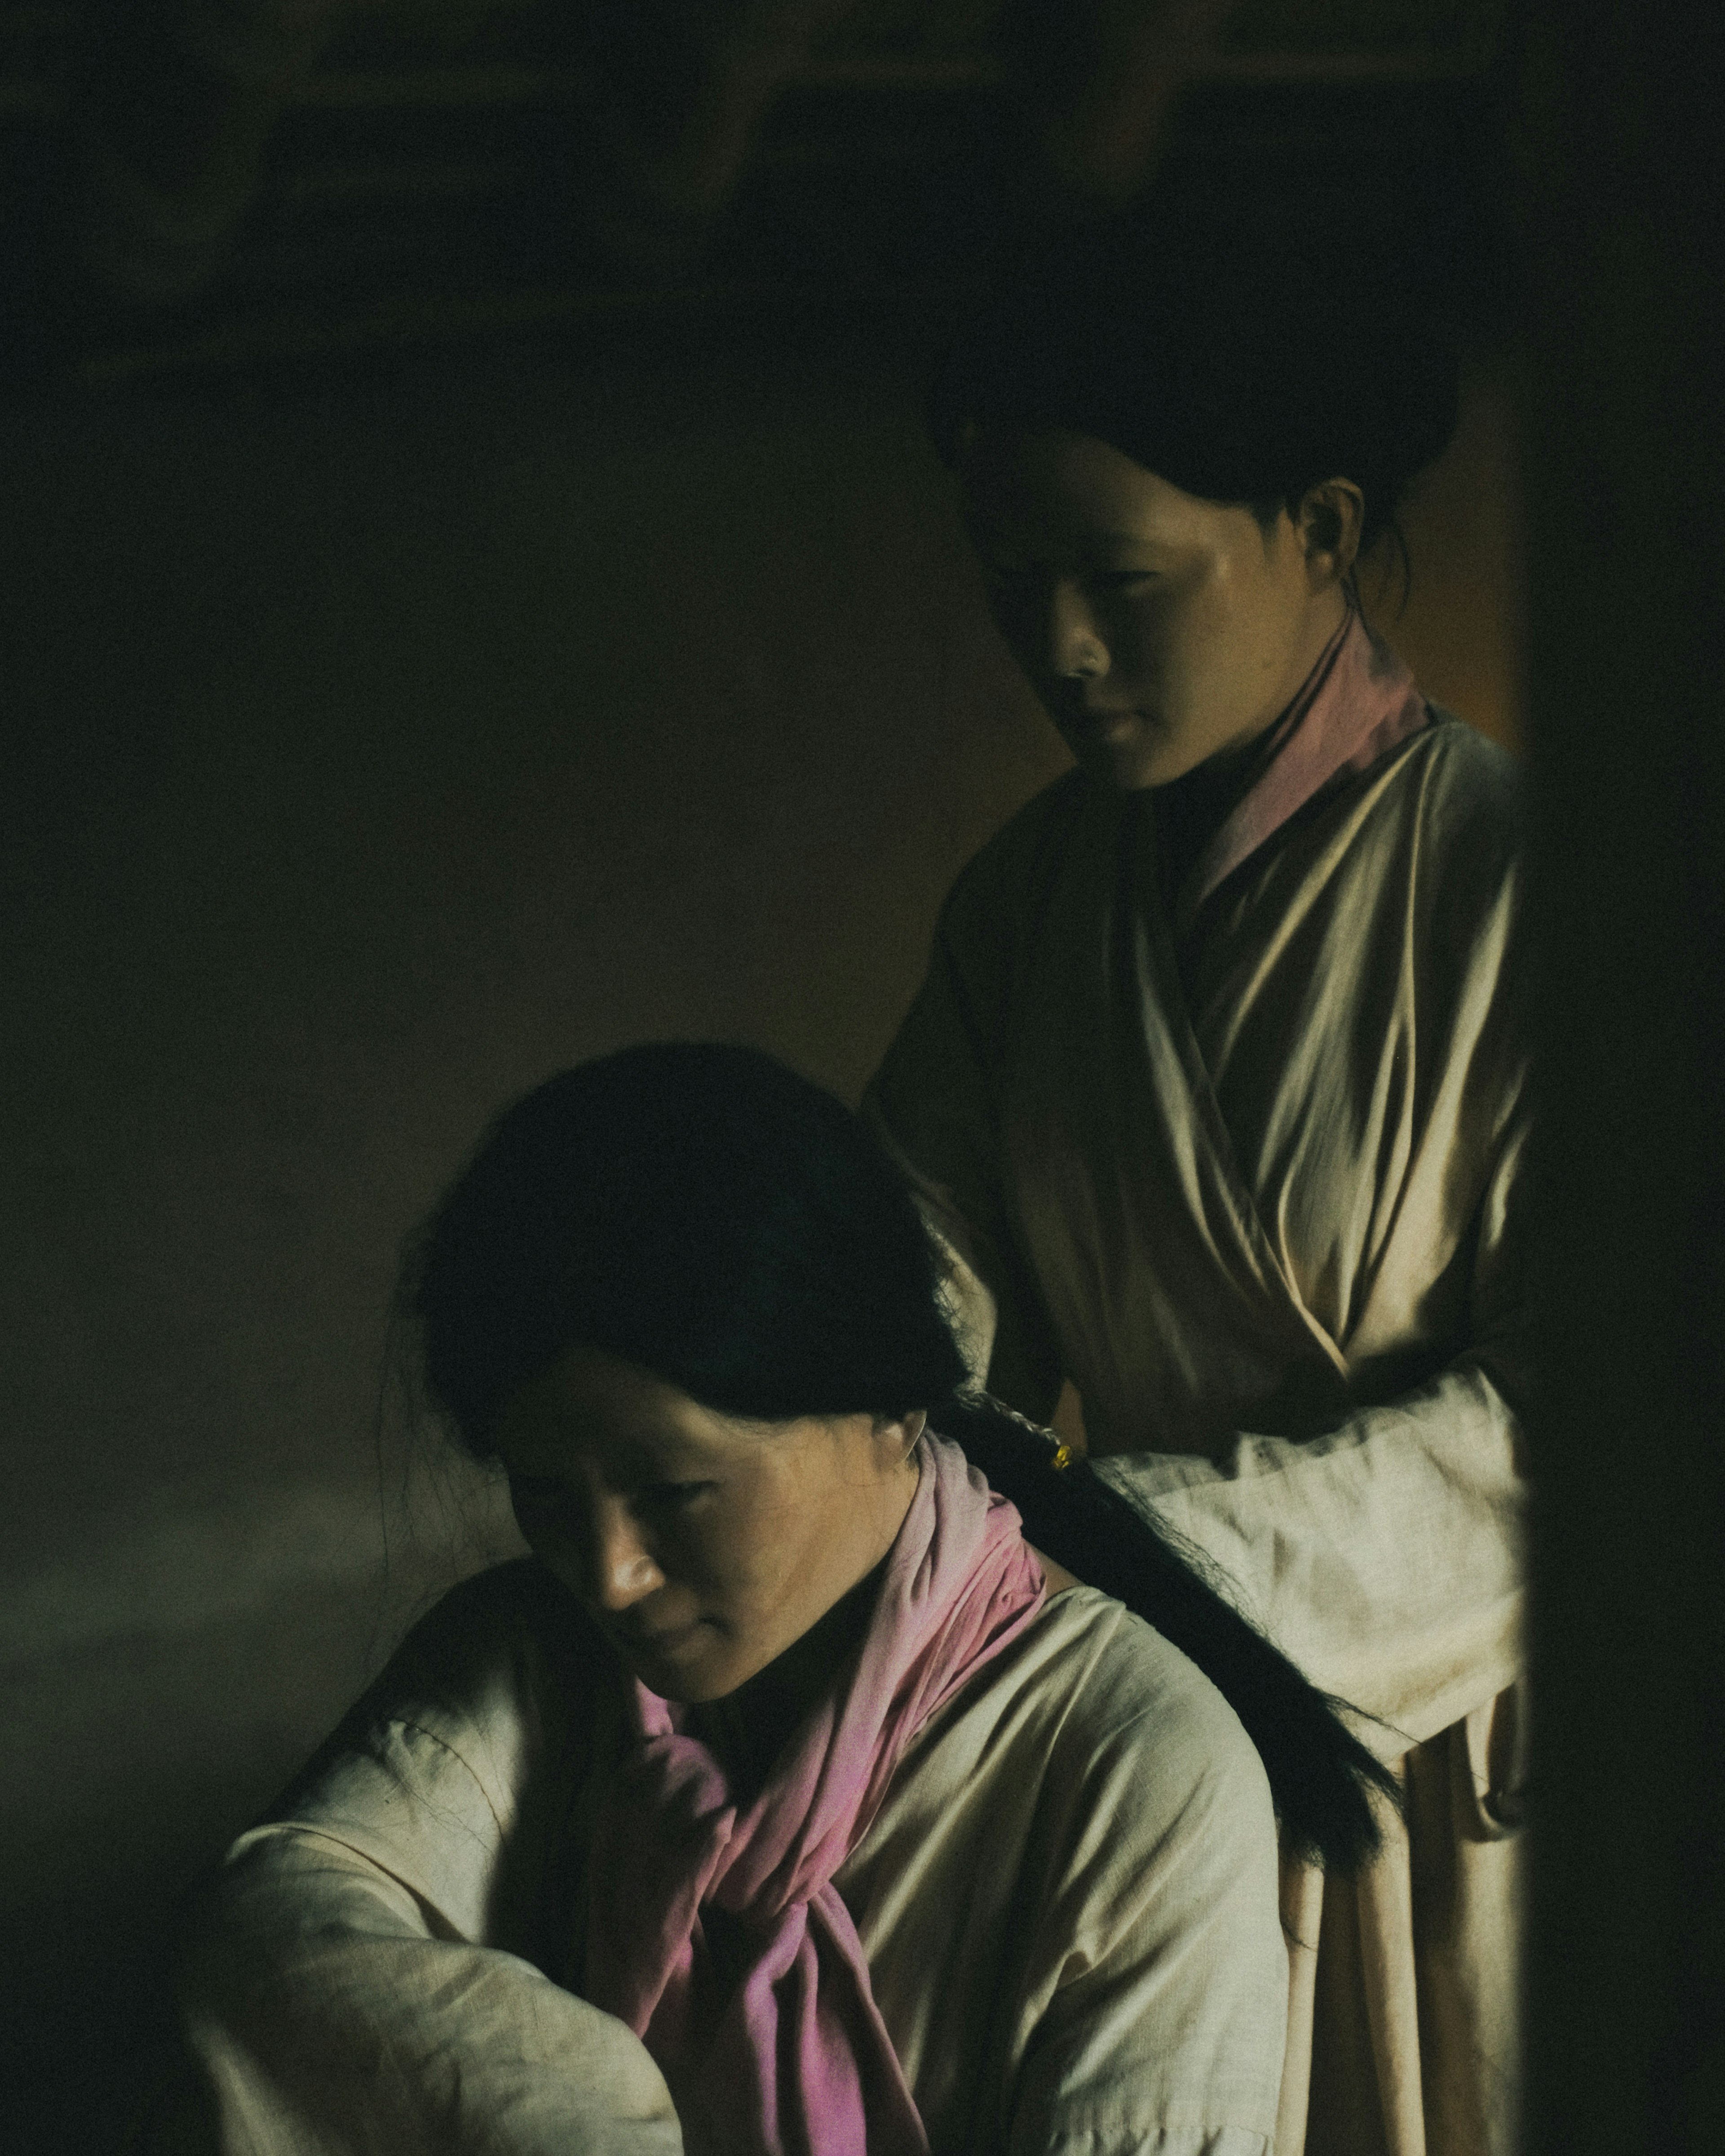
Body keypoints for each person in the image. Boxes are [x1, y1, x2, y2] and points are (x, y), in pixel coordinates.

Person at [150, 1041, 1399, 2156]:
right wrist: (578, 2106)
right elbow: (276, 1927)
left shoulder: (1130, 1764)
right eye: (545, 1495)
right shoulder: (528, 1655)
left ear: (891, 1408)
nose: (610, 1575)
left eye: (676, 1491)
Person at [863, 207, 1530, 2156]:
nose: (1057, 648)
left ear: (1320, 532)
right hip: (1157, 1753)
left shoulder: (1521, 892)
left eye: (1118, 578)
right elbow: (900, 1287)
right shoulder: (1026, 910)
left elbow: (1602, 1422)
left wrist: (1139, 1550)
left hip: (1454, 1756)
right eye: (1012, 583)